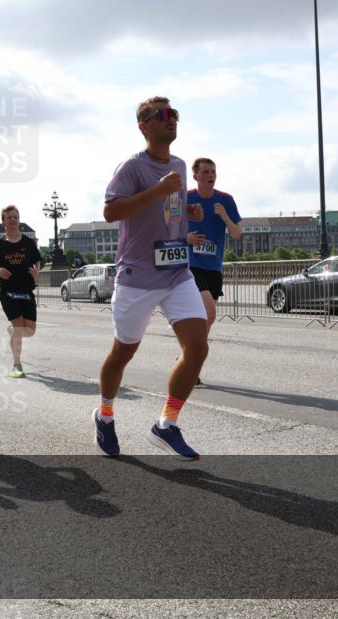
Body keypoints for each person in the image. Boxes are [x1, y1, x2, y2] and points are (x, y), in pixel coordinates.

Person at [94, 96, 208, 461]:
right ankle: (105, 413)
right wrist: (157, 191)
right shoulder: (132, 167)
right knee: (122, 353)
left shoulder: (178, 163)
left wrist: (185, 211)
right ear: (144, 125)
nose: (171, 120)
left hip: (176, 271)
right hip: (137, 275)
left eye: (174, 114)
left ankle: (166, 425)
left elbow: (169, 213)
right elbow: (111, 211)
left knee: (197, 346)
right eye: (162, 115)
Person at [186, 157, 241, 386]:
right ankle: (190, 361)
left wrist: (224, 217)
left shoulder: (225, 200)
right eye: (206, 171)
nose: (211, 175)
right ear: (196, 175)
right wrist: (185, 238)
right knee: (209, 313)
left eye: (213, 171)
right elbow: (164, 228)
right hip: (191, 265)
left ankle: (188, 360)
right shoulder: (185, 198)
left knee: (205, 321)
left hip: (214, 267)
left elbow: (237, 234)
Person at [0, 205, 42, 378]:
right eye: (9, 217)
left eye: (15, 216)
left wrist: (36, 270)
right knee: (18, 327)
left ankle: (13, 331)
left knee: (30, 331)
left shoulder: (28, 242)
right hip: (8, 292)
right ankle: (17, 365)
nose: (13, 219)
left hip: (26, 291)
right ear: (3, 222)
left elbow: (37, 261)